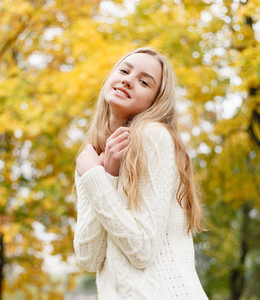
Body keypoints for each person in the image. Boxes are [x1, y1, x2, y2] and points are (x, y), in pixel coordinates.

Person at [74, 48, 208, 299]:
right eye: (124, 70)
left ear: (155, 101)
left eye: (144, 81)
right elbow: (89, 259)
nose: (128, 79)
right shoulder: (91, 157)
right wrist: (105, 175)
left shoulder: (153, 137)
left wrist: (96, 177)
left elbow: (142, 250)